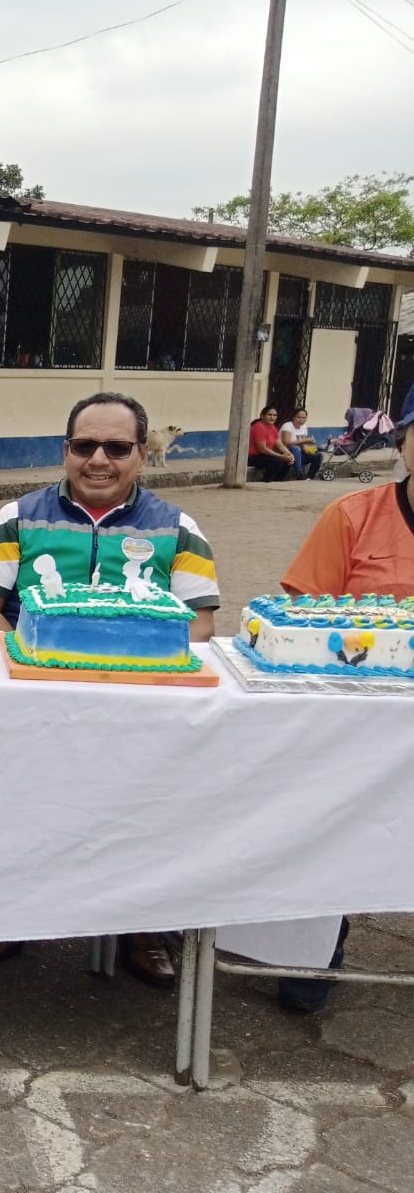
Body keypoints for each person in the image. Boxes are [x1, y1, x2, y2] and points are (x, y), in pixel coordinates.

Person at [0, 390, 221, 987]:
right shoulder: (17, 517)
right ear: (66, 451)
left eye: (117, 448)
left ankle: (140, 923)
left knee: (147, 804)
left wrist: (132, 677)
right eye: (85, 446)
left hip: (141, 705)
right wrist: (38, 665)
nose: (99, 460)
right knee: (19, 801)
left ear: (143, 455)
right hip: (34, 699)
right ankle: (12, 909)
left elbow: (200, 624)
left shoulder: (178, 528)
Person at [262, 402, 414, 1011]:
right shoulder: (353, 516)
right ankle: (317, 939)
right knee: (325, 812)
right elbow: (305, 622)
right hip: (360, 727)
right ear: (404, 442)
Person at [248, 406, 295, 482]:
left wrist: (290, 454)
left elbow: (280, 445)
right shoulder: (259, 427)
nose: (272, 417)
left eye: (274, 415)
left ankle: (278, 481)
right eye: (269, 415)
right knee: (277, 461)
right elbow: (263, 449)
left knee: (288, 461)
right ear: (262, 416)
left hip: (265, 456)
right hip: (253, 457)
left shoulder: (272, 427)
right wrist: (281, 456)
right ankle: (266, 481)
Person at [279, 408, 323, 480]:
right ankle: (299, 473)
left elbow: (303, 445)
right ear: (293, 418)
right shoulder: (287, 426)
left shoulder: (304, 427)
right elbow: (286, 443)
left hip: (299, 455)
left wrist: (311, 448)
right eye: (298, 417)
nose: (301, 420)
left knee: (318, 454)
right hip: (286, 453)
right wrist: (305, 441)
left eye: (303, 418)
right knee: (295, 448)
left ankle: (309, 477)